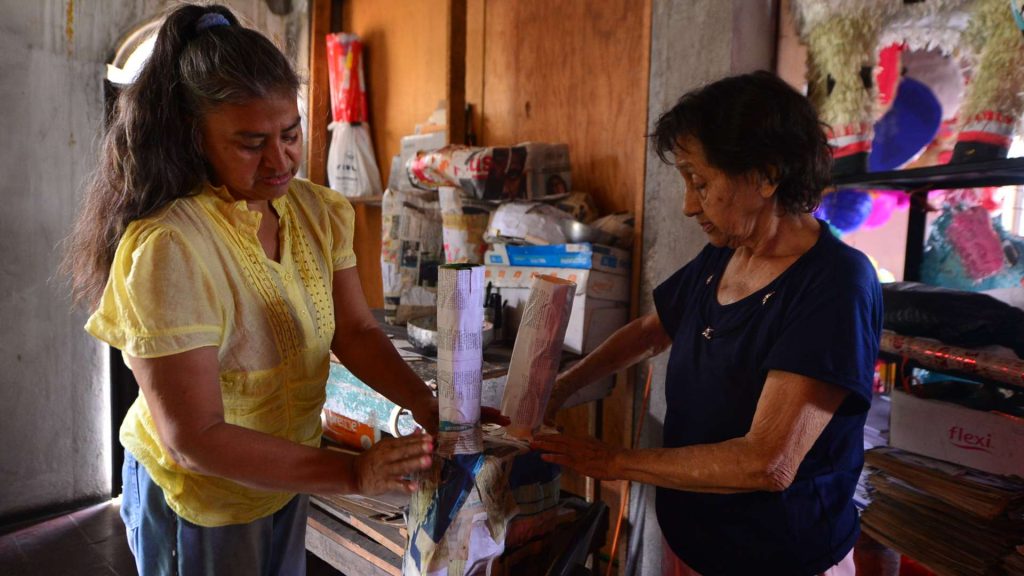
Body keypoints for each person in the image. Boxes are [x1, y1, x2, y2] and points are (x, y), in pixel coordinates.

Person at [61, 5, 475, 575]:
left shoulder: (315, 212)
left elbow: (353, 331)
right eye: (251, 143)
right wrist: (352, 474)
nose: (280, 160)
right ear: (193, 138)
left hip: (282, 477)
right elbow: (194, 439)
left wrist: (428, 406)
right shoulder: (171, 248)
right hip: (203, 497)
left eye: (290, 134)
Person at [532, 71, 882, 576]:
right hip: (696, 547)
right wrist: (562, 386)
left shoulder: (834, 284)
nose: (688, 204)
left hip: (781, 561)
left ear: (766, 175)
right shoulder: (725, 254)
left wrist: (611, 461)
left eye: (700, 181)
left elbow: (767, 462)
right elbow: (653, 330)